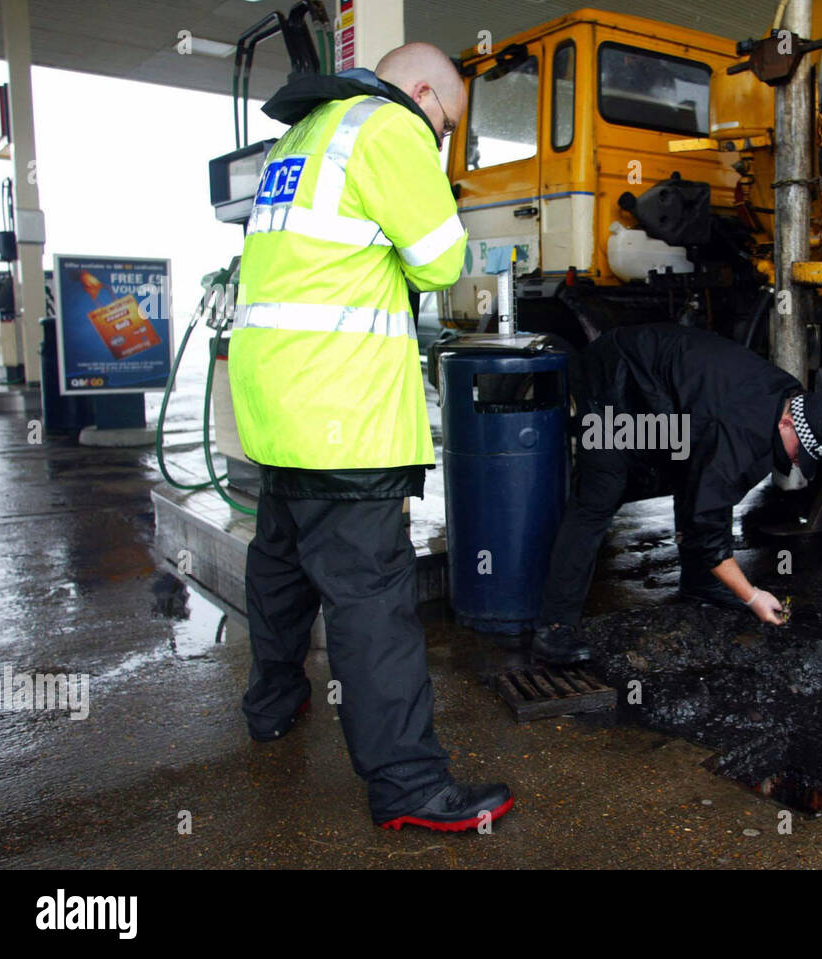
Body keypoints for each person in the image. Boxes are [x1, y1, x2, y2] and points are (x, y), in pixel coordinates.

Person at [228, 44, 514, 832]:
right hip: (341, 414)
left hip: (275, 404)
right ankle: (409, 785)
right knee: (372, 604)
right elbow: (441, 263)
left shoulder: (304, 135)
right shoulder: (387, 129)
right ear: (422, 93)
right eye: (447, 123)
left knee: (281, 565)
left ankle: (271, 705)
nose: (442, 138)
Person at [532, 324, 822, 664]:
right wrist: (751, 596)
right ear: (787, 424)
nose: (799, 461)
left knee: (695, 470)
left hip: (668, 392)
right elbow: (708, 519)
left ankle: (701, 583)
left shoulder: (786, 398)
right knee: (602, 489)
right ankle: (554, 627)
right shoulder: (739, 428)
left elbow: (717, 489)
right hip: (614, 374)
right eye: (801, 452)